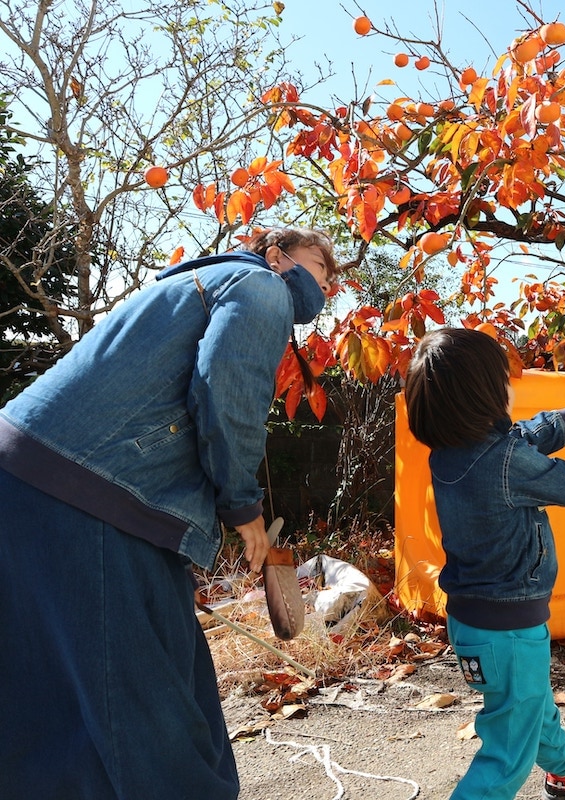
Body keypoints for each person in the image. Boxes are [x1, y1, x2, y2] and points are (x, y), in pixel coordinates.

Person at [0, 228, 339, 798]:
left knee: (46, 698)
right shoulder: (260, 284)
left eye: (331, 280)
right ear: (277, 255)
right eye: (319, 267)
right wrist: (243, 507)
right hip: (91, 490)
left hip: (24, 474)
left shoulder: (184, 286)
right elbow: (225, 391)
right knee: (149, 694)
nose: (325, 284)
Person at [404, 327, 565, 800]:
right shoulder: (504, 460)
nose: (511, 387)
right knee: (509, 747)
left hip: (475, 621)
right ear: (483, 393)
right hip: (510, 628)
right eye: (502, 379)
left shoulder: (452, 453)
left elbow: (525, 435)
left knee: (527, 705)